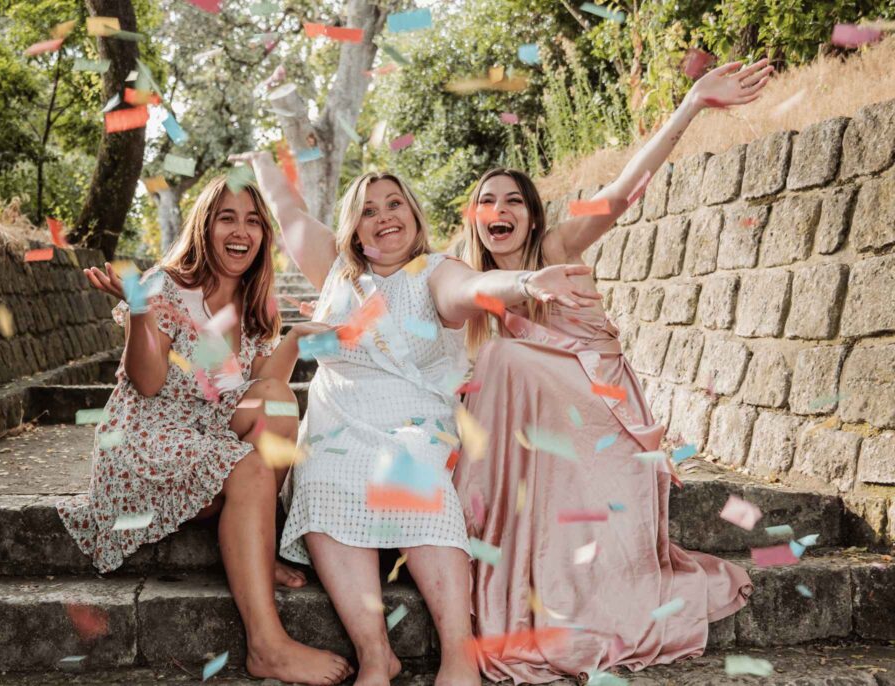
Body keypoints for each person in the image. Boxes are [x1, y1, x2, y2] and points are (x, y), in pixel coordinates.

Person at [451, 59, 773, 682]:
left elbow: (624, 191)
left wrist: (691, 104)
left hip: (602, 414)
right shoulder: (470, 284)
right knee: (491, 363)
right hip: (538, 436)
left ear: (532, 216)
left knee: (500, 356)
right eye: (486, 201)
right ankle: (486, 530)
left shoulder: (557, 247)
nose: (499, 209)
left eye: (513, 200)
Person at [230, 151, 601, 686]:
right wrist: (262, 163)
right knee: (326, 478)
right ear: (354, 227)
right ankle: (376, 655)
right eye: (369, 210)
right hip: (339, 418)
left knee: (413, 472)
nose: (383, 217)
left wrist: (522, 284)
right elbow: (287, 210)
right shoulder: (335, 269)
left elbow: (472, 290)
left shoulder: (436, 270)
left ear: (413, 214)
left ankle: (458, 654)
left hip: (416, 419)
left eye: (394, 204)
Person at [57, 176, 353, 686]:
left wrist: (297, 338)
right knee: (251, 466)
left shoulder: (255, 304)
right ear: (205, 226)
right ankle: (267, 645)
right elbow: (148, 383)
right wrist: (141, 312)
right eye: (227, 218)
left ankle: (254, 543)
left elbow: (263, 389)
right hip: (148, 441)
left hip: (208, 440)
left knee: (279, 402)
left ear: (263, 235)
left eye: (253, 221)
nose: (241, 231)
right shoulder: (166, 285)